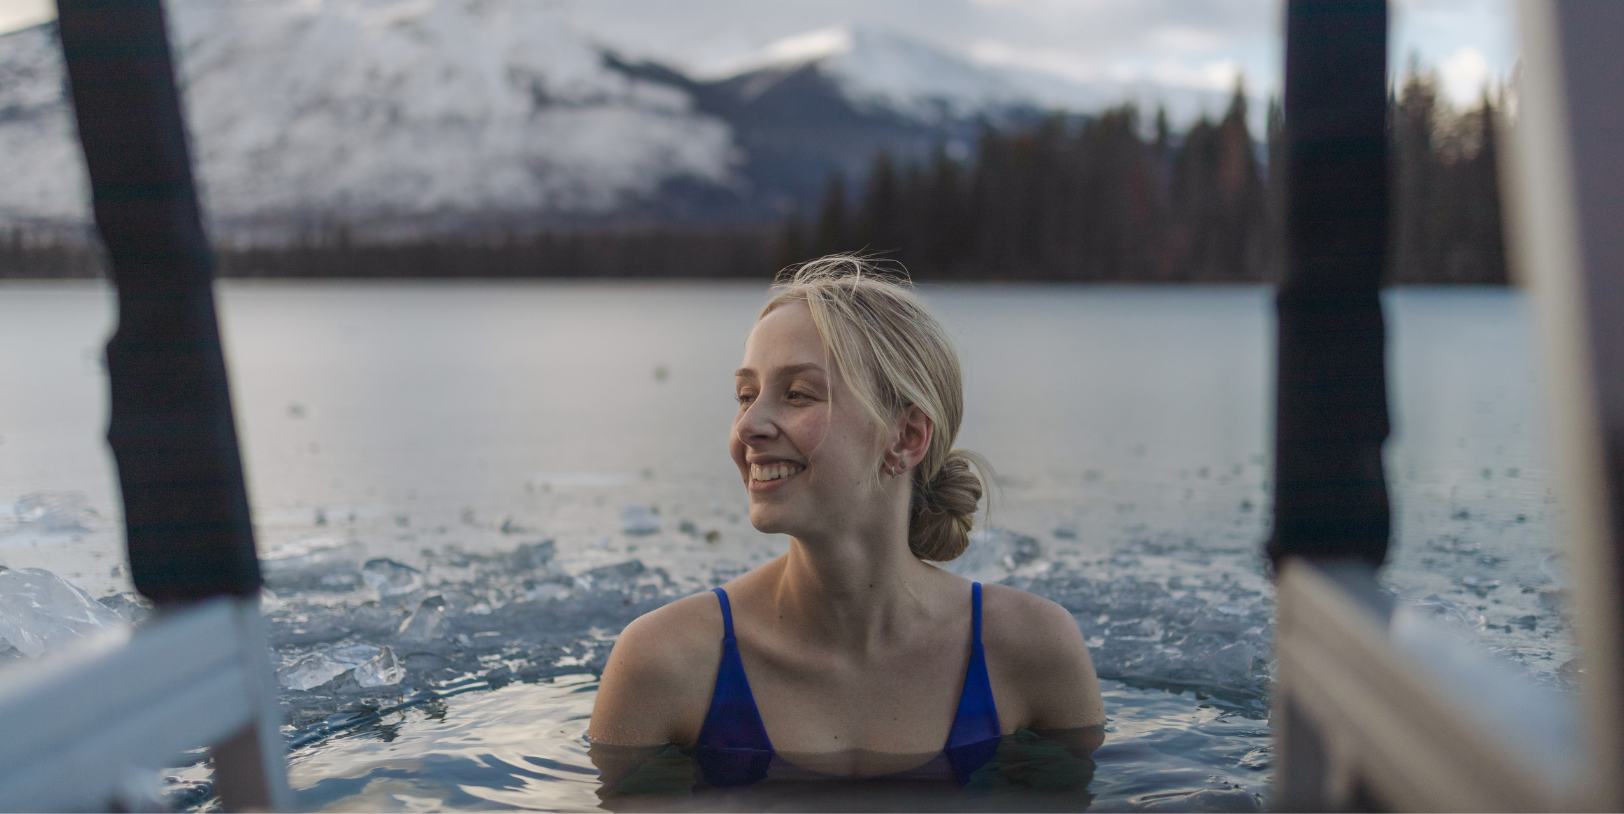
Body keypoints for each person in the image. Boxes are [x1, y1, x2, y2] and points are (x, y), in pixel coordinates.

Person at [588, 256, 1105, 791]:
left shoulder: (1031, 649)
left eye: (797, 394)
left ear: (905, 437)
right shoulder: (665, 662)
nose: (748, 425)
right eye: (746, 395)